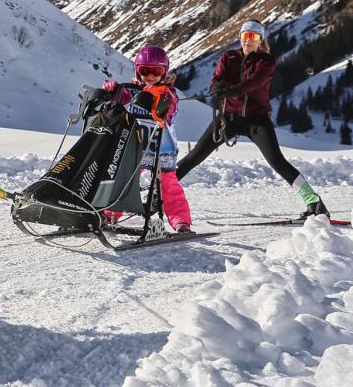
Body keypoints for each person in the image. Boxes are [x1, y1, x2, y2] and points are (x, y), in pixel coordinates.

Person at [175, 19, 329, 220]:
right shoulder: (228, 57)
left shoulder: (266, 61)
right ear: (240, 37)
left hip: (257, 121)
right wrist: (217, 89)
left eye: (253, 37)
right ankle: (156, 198)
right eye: (245, 36)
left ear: (260, 40)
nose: (248, 41)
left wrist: (229, 90)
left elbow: (254, 83)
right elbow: (216, 81)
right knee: (194, 156)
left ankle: (314, 202)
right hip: (228, 119)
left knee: (277, 161)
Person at [102, 45, 193, 233]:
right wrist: (113, 92)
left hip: (161, 147)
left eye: (156, 71)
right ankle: (111, 213)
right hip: (136, 145)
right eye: (145, 71)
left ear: (164, 72)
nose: (150, 76)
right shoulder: (133, 90)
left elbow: (170, 106)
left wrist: (153, 96)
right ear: (137, 70)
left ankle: (180, 220)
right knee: (125, 179)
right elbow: (122, 98)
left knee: (168, 185)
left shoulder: (168, 92)